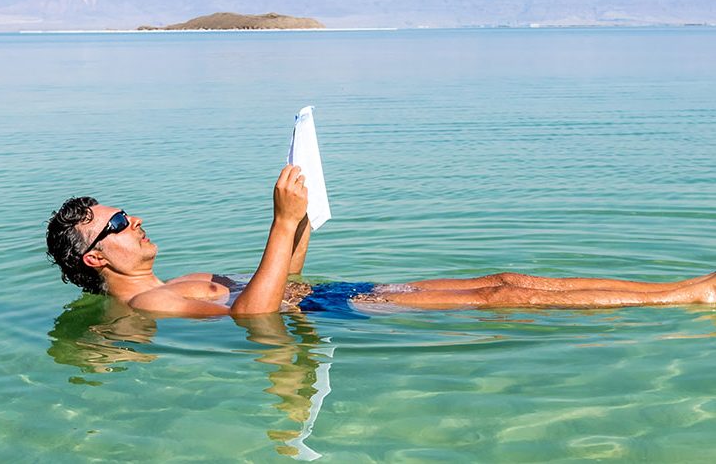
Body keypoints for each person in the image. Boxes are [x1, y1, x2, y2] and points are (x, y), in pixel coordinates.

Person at [46, 165, 715, 316]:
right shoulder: (145, 307)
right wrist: (278, 226)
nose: (133, 222)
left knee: (509, 278)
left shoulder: (180, 277)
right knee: (503, 296)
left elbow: (272, 281)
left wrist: (300, 219)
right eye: (117, 224)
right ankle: (680, 299)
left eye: (126, 212)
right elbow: (254, 319)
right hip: (335, 312)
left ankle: (682, 290)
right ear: (97, 256)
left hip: (331, 293)